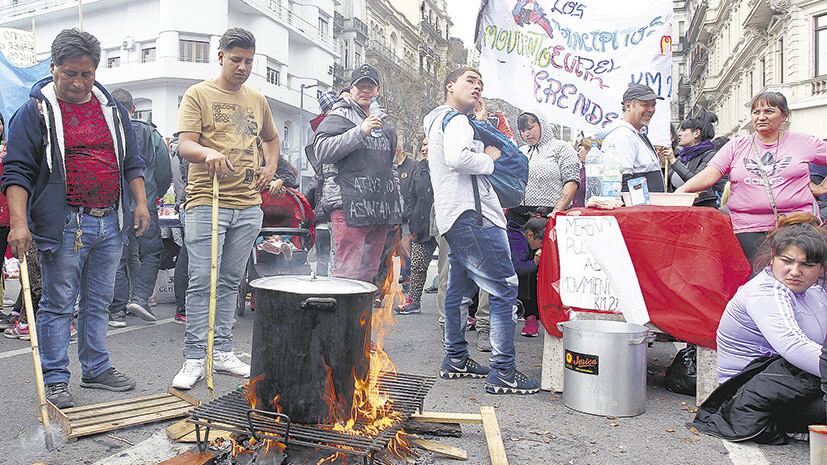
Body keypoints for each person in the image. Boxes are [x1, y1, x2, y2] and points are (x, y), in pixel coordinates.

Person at [1, 29, 149, 408]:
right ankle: (55, 379)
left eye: (86, 73)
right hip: (65, 223)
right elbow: (16, 171)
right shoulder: (34, 111)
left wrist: (141, 204)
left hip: (109, 222)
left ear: (96, 71)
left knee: (98, 301)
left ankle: (96, 368)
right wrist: (19, 224)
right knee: (58, 304)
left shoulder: (112, 110)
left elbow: (132, 161)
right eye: (69, 73)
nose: (78, 82)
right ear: (53, 68)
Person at [173, 28, 280, 389]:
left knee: (232, 281)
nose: (242, 67)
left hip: (248, 204)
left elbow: (271, 138)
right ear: (220, 56)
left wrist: (270, 167)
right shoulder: (198, 94)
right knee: (203, 280)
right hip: (207, 199)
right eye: (236, 60)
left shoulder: (257, 99)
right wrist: (208, 153)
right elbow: (184, 145)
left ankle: (221, 351)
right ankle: (194, 356)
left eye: (249, 61)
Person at [423, 66, 540, 395]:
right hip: (474, 216)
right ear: (450, 86)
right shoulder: (457, 120)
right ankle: (504, 370)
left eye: (480, 83)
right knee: (504, 287)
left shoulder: (437, 120)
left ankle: (456, 357)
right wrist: (488, 157)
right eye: (469, 82)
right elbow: (458, 158)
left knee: (458, 290)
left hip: (454, 216)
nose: (476, 88)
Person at [693, 213, 827, 444]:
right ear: (772, 258)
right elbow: (793, 346)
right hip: (748, 395)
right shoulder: (765, 292)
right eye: (787, 261)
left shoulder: (814, 290)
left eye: (807, 264)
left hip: (795, 383)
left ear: (820, 267)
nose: (795, 271)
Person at [676, 91, 827, 264]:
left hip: (798, 225)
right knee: (758, 277)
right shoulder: (736, 145)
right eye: (756, 112)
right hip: (748, 228)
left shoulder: (804, 142)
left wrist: (822, 187)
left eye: (769, 111)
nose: (761, 117)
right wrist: (681, 191)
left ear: (784, 115)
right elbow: (711, 174)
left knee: (795, 276)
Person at [313, 64, 402, 283]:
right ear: (351, 90)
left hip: (378, 210)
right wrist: (361, 131)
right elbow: (322, 151)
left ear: (378, 90)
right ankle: (342, 318)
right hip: (348, 208)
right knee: (346, 274)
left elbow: (391, 167)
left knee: (369, 273)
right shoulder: (338, 116)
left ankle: (362, 318)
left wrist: (396, 204)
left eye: (370, 86)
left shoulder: (386, 124)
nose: (365, 91)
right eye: (360, 86)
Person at [108, 88, 172, 327]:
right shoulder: (151, 134)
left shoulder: (109, 130)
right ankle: (141, 298)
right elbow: (165, 172)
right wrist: (156, 195)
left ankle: (116, 311)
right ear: (133, 108)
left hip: (116, 206)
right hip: (146, 204)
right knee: (152, 252)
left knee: (118, 257)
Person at [513, 111, 580, 220]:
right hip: (517, 217)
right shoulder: (520, 151)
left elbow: (572, 181)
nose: (526, 134)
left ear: (542, 125)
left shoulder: (562, 148)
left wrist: (557, 211)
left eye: (530, 128)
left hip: (548, 215)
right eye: (522, 130)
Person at [396, 137, 436, 315]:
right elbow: (411, 194)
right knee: (418, 265)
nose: (424, 149)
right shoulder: (419, 167)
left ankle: (454, 307)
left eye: (427, 144)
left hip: (444, 223)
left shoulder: (447, 166)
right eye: (423, 145)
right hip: (421, 224)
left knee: (448, 269)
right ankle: (414, 300)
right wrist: (411, 216)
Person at [601, 84, 666, 192]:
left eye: (653, 105)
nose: (650, 110)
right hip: (637, 208)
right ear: (628, 106)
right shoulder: (623, 135)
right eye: (645, 105)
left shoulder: (635, 134)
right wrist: (640, 206)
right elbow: (622, 182)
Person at [660, 110, 725, 208]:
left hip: (701, 207)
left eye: (683, 130)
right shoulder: (682, 156)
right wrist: (662, 164)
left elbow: (696, 181)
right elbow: (667, 184)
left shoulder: (710, 155)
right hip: (680, 207)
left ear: (696, 133)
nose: (679, 134)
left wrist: (673, 161)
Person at [508, 217, 546, 337]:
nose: (541, 246)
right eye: (541, 242)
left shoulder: (521, 239)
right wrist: (534, 262)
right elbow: (517, 268)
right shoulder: (517, 243)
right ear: (530, 235)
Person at [572, 137, 592, 207]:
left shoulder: (592, 172)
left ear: (589, 150)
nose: (578, 153)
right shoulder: (581, 170)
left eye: (580, 150)